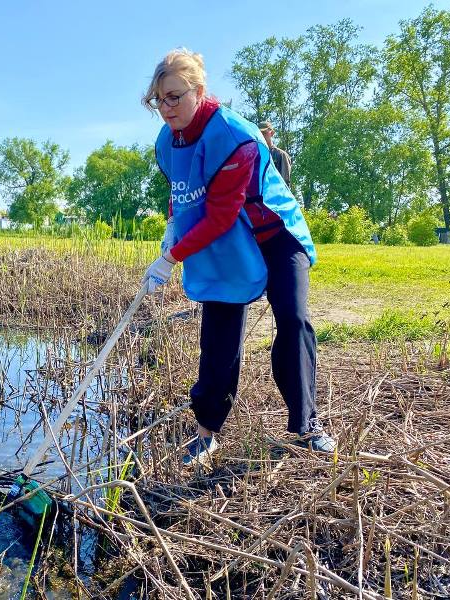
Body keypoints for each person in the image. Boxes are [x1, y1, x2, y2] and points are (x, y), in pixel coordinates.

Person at [141, 48, 335, 466]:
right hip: (230, 246)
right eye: (160, 99)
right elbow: (182, 193)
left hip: (273, 234)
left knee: (293, 317)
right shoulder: (168, 140)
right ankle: (207, 433)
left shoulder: (233, 136)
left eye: (175, 96)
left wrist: (171, 258)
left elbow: (221, 216)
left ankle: (306, 425)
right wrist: (171, 229)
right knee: (218, 335)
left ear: (199, 91)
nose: (167, 108)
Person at [258, 121, 292, 187]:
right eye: (259, 133)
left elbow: (285, 182)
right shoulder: (255, 155)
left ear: (272, 133)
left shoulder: (281, 155)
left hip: (275, 195)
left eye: (264, 133)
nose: (261, 136)